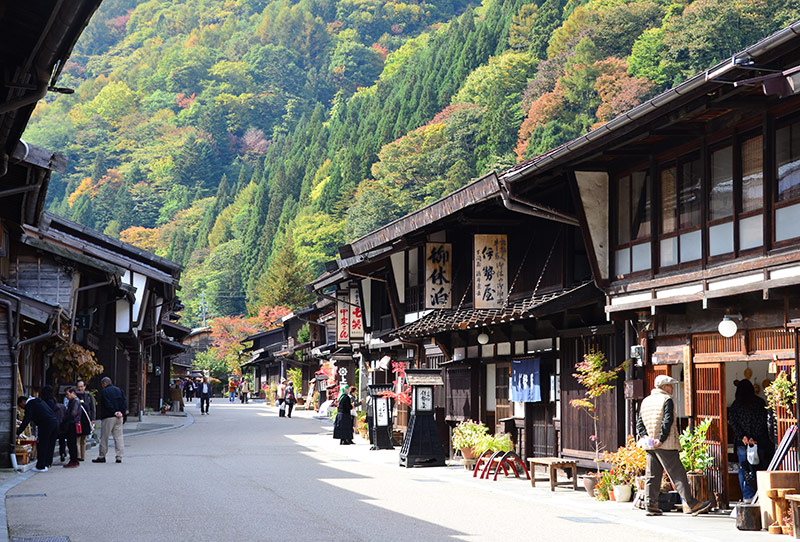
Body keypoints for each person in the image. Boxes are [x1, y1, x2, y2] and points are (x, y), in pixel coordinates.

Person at [637, 375, 712, 516]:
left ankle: (650, 505)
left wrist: (646, 437)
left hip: (650, 444)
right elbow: (668, 420)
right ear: (664, 387)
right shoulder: (667, 400)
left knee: (652, 475)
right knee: (678, 474)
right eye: (670, 385)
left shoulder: (645, 401)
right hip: (666, 444)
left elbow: (639, 423)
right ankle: (692, 504)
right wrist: (661, 438)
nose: (672, 388)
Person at [728, 379, 774, 502]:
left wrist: (743, 437)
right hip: (758, 442)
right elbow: (763, 422)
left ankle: (747, 496)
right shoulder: (759, 403)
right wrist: (754, 438)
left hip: (742, 443)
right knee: (759, 468)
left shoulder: (735, 405)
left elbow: (733, 423)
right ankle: (760, 495)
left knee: (744, 468)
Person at [16, 395, 59, 472]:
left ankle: (41, 466)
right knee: (50, 444)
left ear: (23, 401)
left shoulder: (30, 404)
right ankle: (47, 463)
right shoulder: (39, 401)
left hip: (46, 424)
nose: (22, 408)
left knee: (42, 444)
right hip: (54, 422)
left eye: (21, 406)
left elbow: (26, 419)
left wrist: (18, 432)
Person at [93, 377, 126, 464]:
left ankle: (102, 455)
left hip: (108, 416)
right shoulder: (119, 390)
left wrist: (114, 411)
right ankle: (119, 456)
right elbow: (124, 402)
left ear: (104, 383)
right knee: (118, 436)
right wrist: (121, 412)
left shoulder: (105, 392)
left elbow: (107, 403)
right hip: (119, 417)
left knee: (104, 437)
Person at [40, 385, 66, 463]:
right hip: (57, 423)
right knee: (55, 442)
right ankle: (57, 455)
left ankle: (46, 461)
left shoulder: (46, 401)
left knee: (47, 443)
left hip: (48, 424)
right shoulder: (53, 400)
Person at [75, 380, 96, 462]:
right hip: (77, 420)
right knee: (77, 439)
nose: (80, 388)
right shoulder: (75, 396)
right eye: (78, 387)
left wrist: (93, 419)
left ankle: (83, 456)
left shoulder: (88, 396)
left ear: (84, 387)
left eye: (81, 386)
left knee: (83, 439)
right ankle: (78, 455)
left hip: (86, 420)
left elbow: (93, 408)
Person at [62, 387, 81, 468]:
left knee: (71, 443)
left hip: (72, 423)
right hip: (73, 423)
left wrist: (65, 419)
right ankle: (74, 459)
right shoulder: (73, 401)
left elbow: (73, 413)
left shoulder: (75, 401)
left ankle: (73, 460)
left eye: (67, 394)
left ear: (73, 393)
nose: (66, 396)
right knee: (72, 443)